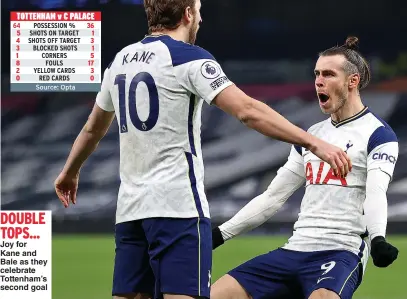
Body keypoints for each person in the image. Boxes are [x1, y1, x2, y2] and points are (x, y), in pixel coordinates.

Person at [53, 1, 351, 299]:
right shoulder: (189, 58)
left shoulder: (120, 61)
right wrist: (313, 141)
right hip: (177, 208)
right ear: (187, 14)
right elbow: (247, 110)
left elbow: (93, 128)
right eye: (198, 9)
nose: (200, 18)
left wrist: (70, 171)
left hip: (131, 211)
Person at [211, 36, 399, 299]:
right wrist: (218, 235)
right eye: (316, 74)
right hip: (295, 249)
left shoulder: (378, 135)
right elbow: (273, 197)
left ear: (352, 81)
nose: (319, 81)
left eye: (329, 74)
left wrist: (378, 238)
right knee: (216, 294)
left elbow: (376, 192)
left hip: (340, 251)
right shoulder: (312, 135)